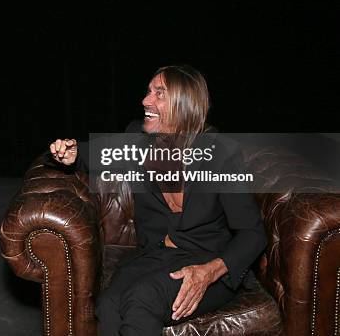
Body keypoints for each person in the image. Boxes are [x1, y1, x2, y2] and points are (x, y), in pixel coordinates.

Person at [49, 65, 266, 335]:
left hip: (209, 262)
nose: (145, 101)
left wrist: (209, 272)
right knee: (109, 304)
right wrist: (69, 154)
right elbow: (88, 153)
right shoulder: (140, 142)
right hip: (158, 253)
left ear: (184, 105)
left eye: (159, 94)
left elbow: (252, 233)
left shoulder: (222, 155)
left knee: (143, 298)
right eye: (148, 92)